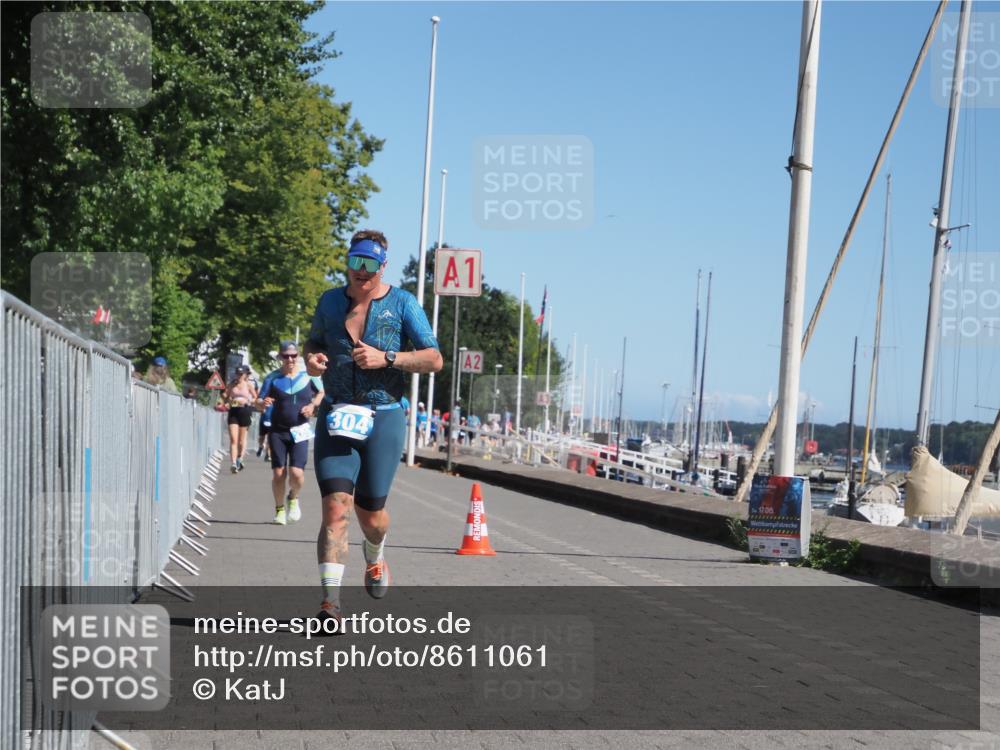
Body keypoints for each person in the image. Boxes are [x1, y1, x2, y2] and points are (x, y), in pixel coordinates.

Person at [304, 229, 442, 619]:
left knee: (372, 517)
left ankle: (375, 552)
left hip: (384, 418)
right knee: (335, 508)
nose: (361, 272)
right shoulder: (330, 302)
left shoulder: (403, 304)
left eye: (369, 265)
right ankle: (330, 604)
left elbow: (434, 359)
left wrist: (389, 358)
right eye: (354, 263)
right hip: (336, 415)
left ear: (383, 267)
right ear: (347, 263)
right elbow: (314, 342)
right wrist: (313, 359)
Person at [256, 341, 324, 525]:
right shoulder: (272, 378)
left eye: (294, 355)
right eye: (286, 356)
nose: (290, 359)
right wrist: (263, 404)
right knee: (279, 474)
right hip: (278, 431)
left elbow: (321, 393)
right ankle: (279, 510)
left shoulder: (308, 376)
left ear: (298, 357)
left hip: (300, 430)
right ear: (280, 357)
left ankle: (293, 497)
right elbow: (258, 401)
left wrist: (312, 406)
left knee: (297, 473)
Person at [225, 365, 257, 473]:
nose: (239, 376)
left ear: (244, 375)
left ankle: (240, 459)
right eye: (237, 374)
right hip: (233, 412)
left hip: (244, 411)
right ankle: (233, 463)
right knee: (234, 439)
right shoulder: (232, 384)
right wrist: (228, 399)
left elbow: (255, 398)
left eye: (241, 374)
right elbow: (226, 396)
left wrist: (248, 401)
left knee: (241, 441)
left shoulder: (248, 385)